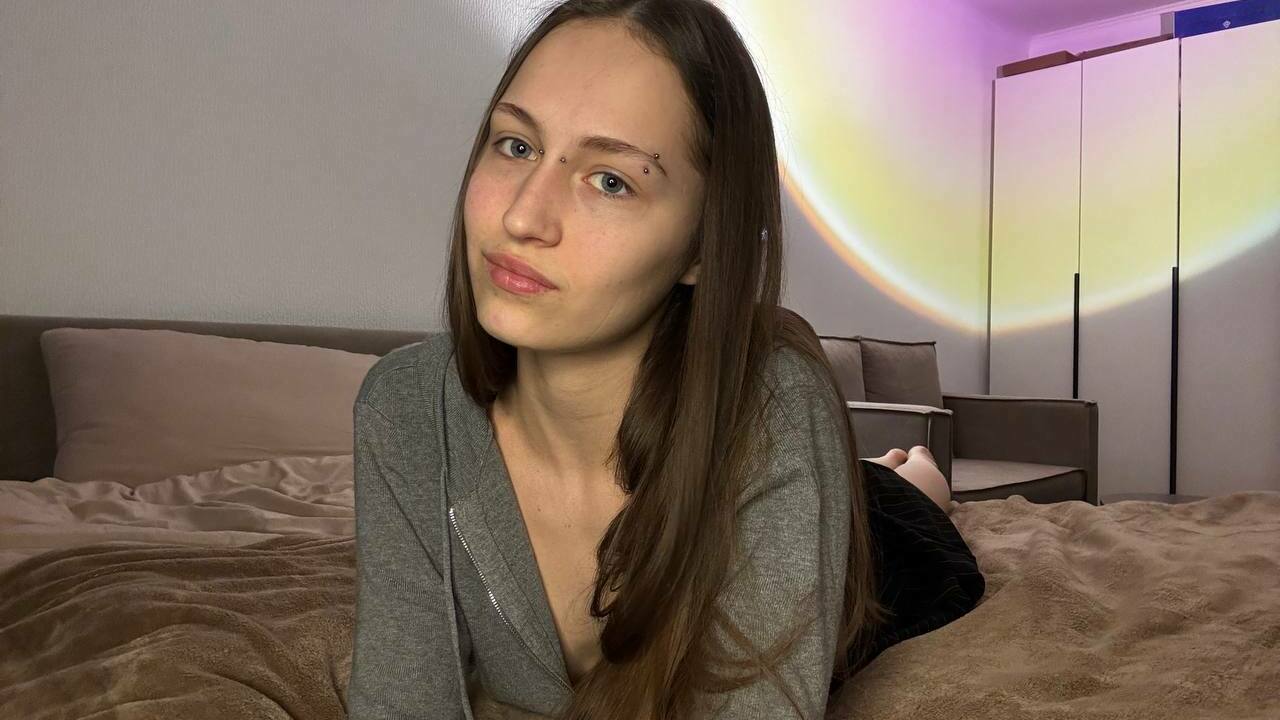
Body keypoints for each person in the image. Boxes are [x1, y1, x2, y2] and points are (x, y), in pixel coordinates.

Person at [346, 1, 983, 718]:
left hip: (890, 541)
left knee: (904, 494)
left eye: (611, 181)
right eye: (516, 146)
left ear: (703, 247)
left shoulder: (775, 404)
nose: (522, 217)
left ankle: (909, 475)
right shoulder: (404, 408)